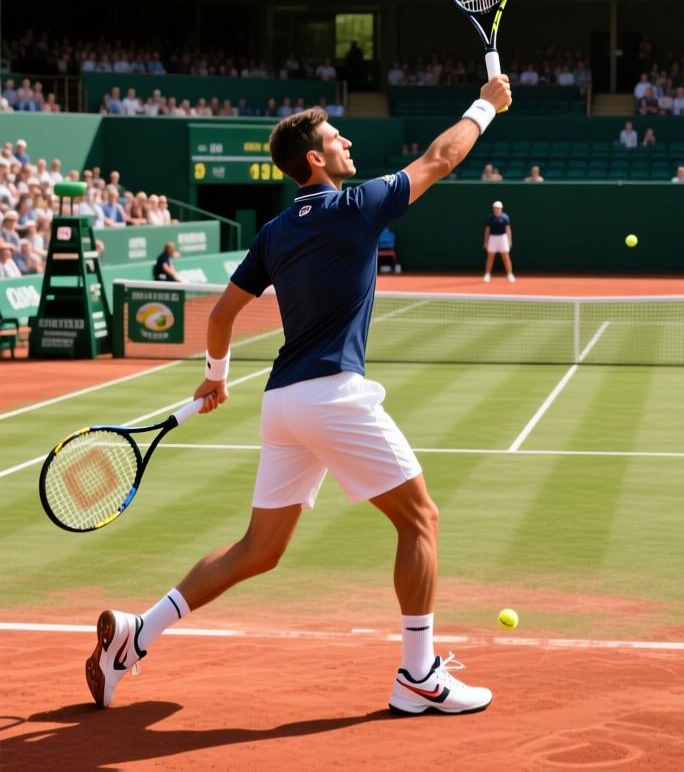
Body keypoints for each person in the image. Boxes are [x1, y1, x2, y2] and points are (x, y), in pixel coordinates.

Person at [85, 74, 513, 715]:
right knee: (420, 520)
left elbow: (223, 314)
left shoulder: (275, 232)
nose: (346, 144)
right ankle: (419, 675)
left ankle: (134, 635)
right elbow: (441, 158)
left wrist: (217, 374)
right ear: (315, 158)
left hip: (283, 402)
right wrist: (488, 104)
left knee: (258, 550)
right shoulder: (359, 204)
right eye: (336, 138)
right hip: (332, 396)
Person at [483, 199, 514, 283]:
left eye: (498, 208)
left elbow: (508, 230)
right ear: (493, 209)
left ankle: (510, 274)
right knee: (490, 257)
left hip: (502, 238)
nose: (496, 209)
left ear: (501, 209)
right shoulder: (490, 218)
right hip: (492, 238)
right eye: (495, 208)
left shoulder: (505, 217)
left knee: (506, 257)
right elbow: (487, 230)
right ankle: (487, 274)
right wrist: (486, 241)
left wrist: (509, 241)